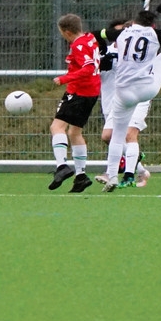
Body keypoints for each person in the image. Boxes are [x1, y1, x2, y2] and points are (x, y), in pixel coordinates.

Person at [94, 4, 161, 187]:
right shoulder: (156, 34)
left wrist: (102, 50)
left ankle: (112, 176)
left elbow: (96, 34)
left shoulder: (121, 33)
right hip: (146, 89)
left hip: (123, 92)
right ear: (152, 24)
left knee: (117, 135)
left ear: (134, 22)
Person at [48, 13, 101, 193]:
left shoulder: (78, 45)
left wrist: (64, 78)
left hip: (78, 92)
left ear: (67, 32)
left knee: (57, 127)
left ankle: (62, 166)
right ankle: (81, 176)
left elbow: (88, 68)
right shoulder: (89, 38)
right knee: (74, 132)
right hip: (92, 91)